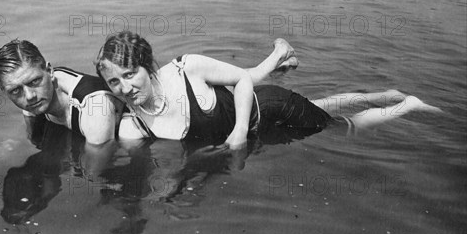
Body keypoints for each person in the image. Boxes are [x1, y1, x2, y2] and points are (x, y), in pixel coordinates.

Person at [93, 31, 441, 148]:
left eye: (130, 74)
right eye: (114, 82)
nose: (125, 87)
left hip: (275, 108)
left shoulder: (186, 69)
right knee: (323, 106)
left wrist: (240, 132)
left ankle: (405, 105)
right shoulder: (134, 122)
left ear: (147, 64)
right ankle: (385, 94)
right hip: (266, 117)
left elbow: (243, 79)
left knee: (346, 130)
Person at [0, 38, 299, 146]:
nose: (29, 97)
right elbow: (31, 111)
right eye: (16, 91)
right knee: (238, 81)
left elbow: (98, 154)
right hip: (138, 97)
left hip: (147, 99)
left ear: (48, 70)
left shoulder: (92, 112)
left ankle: (278, 56)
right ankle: (279, 58)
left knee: (238, 81)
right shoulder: (32, 89)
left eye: (33, 82)